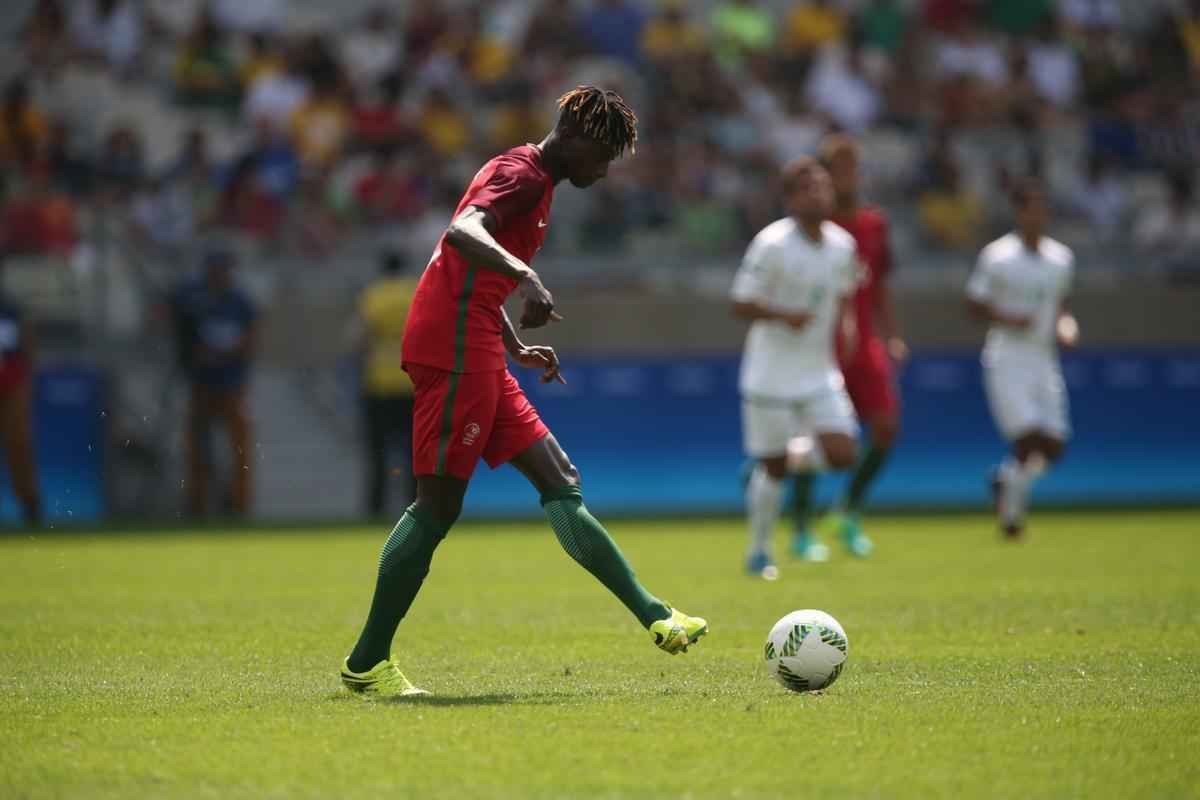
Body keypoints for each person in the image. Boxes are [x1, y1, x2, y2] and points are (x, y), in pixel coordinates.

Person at [340, 86, 708, 698]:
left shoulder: (532, 180)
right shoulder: (524, 176)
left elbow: (473, 272)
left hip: (478, 339)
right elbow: (462, 232)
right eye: (603, 155)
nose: (604, 169)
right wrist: (526, 273)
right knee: (436, 507)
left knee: (560, 479)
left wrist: (513, 344)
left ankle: (657, 616)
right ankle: (366, 661)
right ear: (573, 132)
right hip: (453, 346)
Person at [732, 157, 861, 581]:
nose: (820, 194)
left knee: (844, 453)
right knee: (775, 473)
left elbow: (843, 294)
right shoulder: (771, 244)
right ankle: (759, 550)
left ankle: (775, 462)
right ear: (790, 198)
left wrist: (847, 328)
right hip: (769, 376)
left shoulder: (843, 244)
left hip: (819, 373)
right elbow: (740, 303)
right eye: (809, 188)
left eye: (824, 186)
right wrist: (783, 314)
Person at [790, 136, 906, 561]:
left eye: (854, 166)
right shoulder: (812, 232)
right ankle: (802, 529)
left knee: (886, 427)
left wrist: (891, 334)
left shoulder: (874, 224)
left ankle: (847, 510)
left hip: (865, 343)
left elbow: (879, 286)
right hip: (820, 346)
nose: (850, 175)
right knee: (814, 440)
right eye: (840, 167)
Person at [965, 179, 1078, 538]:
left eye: (1043, 207)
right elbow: (974, 304)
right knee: (1027, 440)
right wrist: (1010, 318)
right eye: (1031, 207)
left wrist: (1067, 327)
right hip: (1008, 357)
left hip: (1044, 359)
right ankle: (1012, 521)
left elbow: (1062, 306)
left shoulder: (1061, 259)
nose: (1039, 215)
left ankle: (1004, 479)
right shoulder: (997, 256)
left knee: (1054, 446)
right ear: (1019, 212)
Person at [171, 246, 258, 518]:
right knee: (197, 451)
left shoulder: (240, 302)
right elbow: (184, 335)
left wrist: (224, 353)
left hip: (232, 384)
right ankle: (197, 505)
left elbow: (250, 339)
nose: (221, 275)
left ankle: (239, 507)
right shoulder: (193, 300)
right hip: (203, 384)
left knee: (240, 450)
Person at [353, 249, 418, 517]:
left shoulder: (374, 294)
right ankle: (416, 507)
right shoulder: (416, 292)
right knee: (414, 454)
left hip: (379, 382)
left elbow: (358, 337)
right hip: (412, 382)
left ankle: (375, 508)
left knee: (377, 451)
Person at [0, 281, 41, 525]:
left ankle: (30, 504)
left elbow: (27, 344)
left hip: (12, 383)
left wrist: (27, 377)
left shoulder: (10, 307)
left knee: (19, 444)